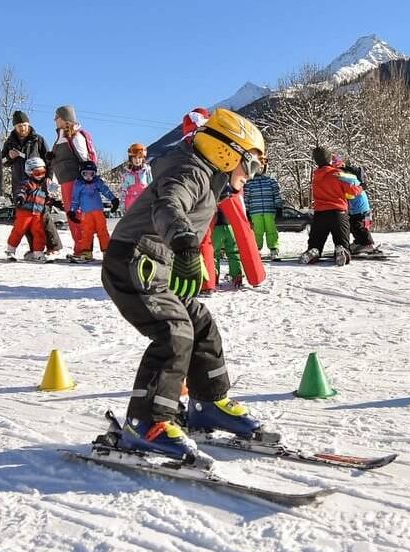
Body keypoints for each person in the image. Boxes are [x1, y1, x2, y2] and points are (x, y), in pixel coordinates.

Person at [100, 108, 272, 465]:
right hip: (131, 261)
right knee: (173, 332)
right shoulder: (189, 171)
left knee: (199, 323)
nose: (250, 176)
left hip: (153, 263)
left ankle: (208, 402)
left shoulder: (210, 177)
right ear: (226, 153)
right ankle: (145, 423)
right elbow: (169, 206)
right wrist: (185, 244)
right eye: (250, 166)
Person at [48, 105, 98, 251]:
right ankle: (79, 248)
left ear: (64, 119)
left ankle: (85, 250)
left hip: (75, 181)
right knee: (72, 216)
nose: (54, 120)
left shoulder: (76, 136)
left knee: (78, 215)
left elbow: (85, 159)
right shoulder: (61, 136)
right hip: (65, 181)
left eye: (56, 117)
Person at [301, 146, 360, 266]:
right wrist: (361, 187)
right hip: (338, 213)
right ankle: (341, 250)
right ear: (329, 159)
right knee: (342, 241)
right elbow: (352, 191)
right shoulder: (337, 174)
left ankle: (314, 251)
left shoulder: (316, 176)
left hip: (320, 214)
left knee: (316, 240)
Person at [67, 160, 118, 262]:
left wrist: (113, 199)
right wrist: (72, 211)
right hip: (86, 213)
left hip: (98, 212)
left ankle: (106, 251)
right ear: (81, 174)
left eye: (91, 174)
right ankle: (86, 252)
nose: (89, 177)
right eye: (85, 174)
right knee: (87, 232)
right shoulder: (78, 185)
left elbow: (105, 190)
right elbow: (75, 200)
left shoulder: (97, 182)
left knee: (102, 231)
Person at [5, 157, 52, 262]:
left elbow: (46, 197)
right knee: (19, 230)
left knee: (39, 232)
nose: (40, 176)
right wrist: (20, 197)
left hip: (37, 213)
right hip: (24, 212)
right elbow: (21, 190)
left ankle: (38, 253)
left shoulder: (43, 185)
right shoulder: (27, 183)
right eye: (37, 173)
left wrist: (49, 201)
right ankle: (10, 250)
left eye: (43, 172)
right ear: (30, 172)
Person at [333, 155, 377, 253]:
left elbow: (350, 189)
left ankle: (367, 243)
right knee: (352, 225)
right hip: (356, 207)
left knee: (358, 226)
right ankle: (359, 242)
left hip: (359, 207)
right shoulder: (346, 175)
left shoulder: (345, 176)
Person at [242, 160, 283, 260]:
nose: (259, 169)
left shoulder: (271, 181)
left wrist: (279, 208)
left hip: (269, 211)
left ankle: (274, 249)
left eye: (262, 167)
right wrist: (246, 211)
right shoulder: (249, 183)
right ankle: (256, 250)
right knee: (257, 231)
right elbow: (246, 198)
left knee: (271, 230)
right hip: (255, 212)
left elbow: (277, 195)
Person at [210, 201, 243, 288]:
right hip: (229, 226)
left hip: (216, 227)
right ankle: (237, 276)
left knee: (214, 254)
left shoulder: (213, 193)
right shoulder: (229, 193)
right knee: (233, 252)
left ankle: (214, 277)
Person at [121, 143, 153, 212]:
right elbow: (123, 190)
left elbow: (151, 186)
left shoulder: (146, 171)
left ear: (143, 159)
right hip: (131, 205)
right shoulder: (127, 175)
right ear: (131, 159)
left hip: (144, 203)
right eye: (135, 157)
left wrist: (153, 200)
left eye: (139, 158)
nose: (137, 160)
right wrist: (122, 204)